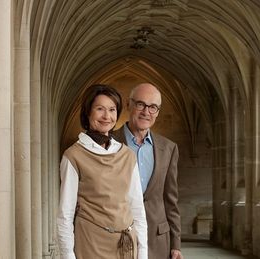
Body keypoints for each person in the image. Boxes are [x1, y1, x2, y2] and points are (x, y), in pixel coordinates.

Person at [57, 84, 147, 259]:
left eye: (112, 110)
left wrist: (142, 253)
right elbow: (65, 214)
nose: (107, 116)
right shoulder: (73, 156)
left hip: (126, 247)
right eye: (100, 109)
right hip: (90, 245)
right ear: (87, 113)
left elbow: (137, 208)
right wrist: (67, 255)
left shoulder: (127, 155)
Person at [114, 83, 183, 259]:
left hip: (158, 239)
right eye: (140, 104)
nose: (146, 112)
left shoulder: (168, 148)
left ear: (158, 112)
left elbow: (171, 200)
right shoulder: (110, 142)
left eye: (153, 107)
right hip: (116, 235)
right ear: (129, 105)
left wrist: (176, 245)